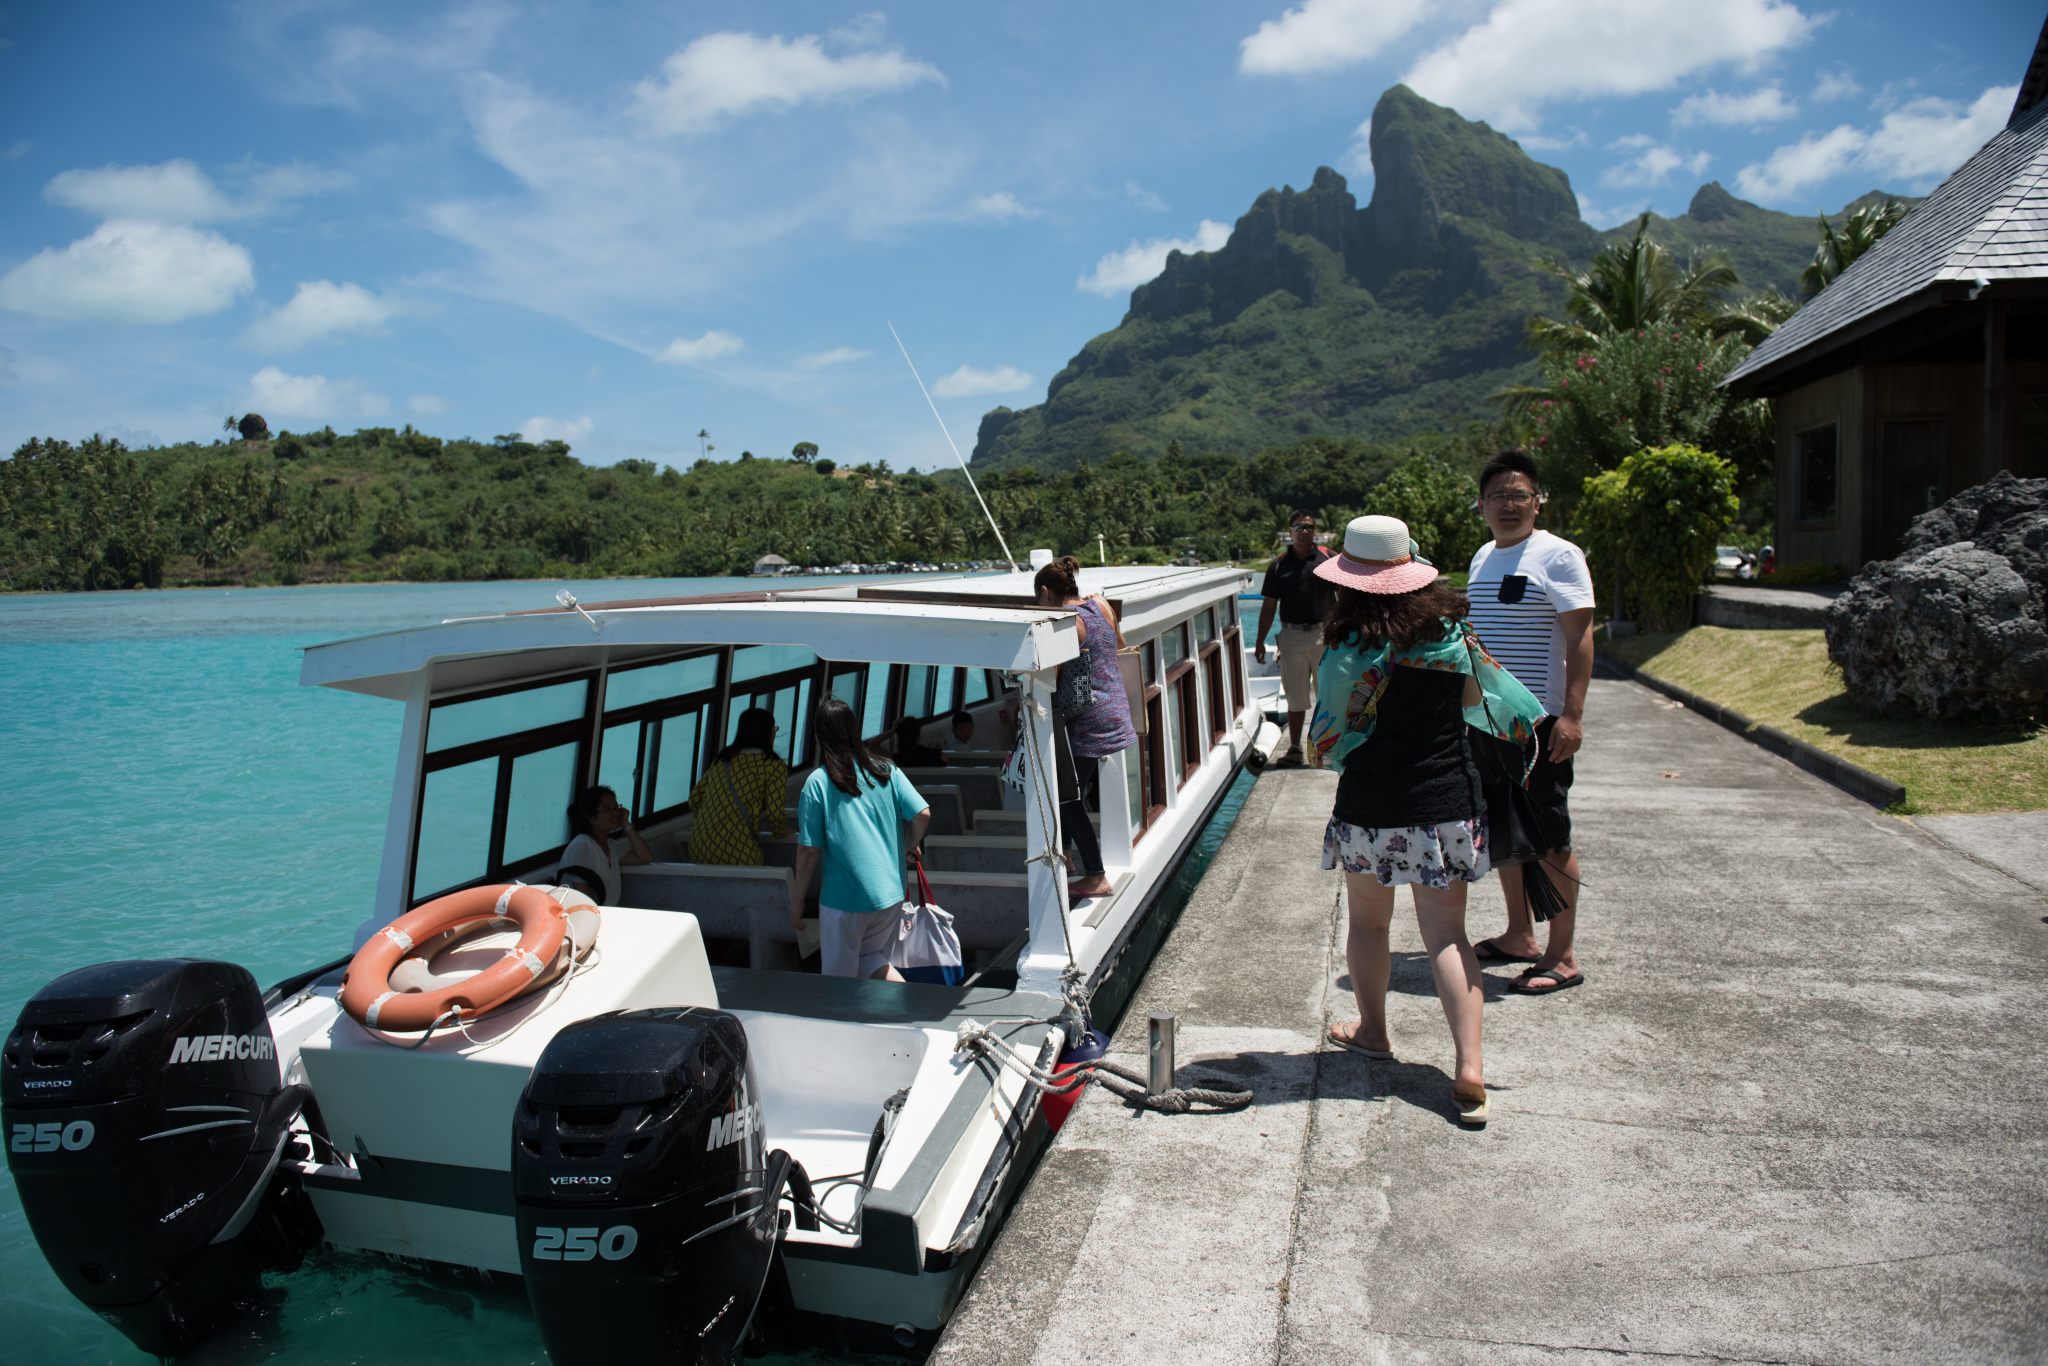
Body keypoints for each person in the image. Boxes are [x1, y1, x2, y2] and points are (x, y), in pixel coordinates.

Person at [1308, 515, 1547, 1128]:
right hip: (1447, 805)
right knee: (1447, 936)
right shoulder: (1453, 634)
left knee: (1368, 924)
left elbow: (1328, 739)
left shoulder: (1345, 649)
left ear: (1349, 582)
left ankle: (1373, 1032)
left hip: (1370, 807)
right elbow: (1476, 705)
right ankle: (1469, 1066)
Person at [1464, 450, 1595, 995]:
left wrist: (1572, 714)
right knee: (1505, 828)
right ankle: (1520, 934)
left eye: (1520, 495)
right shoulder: (1481, 557)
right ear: (1481, 506)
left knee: (1550, 833)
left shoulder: (1558, 556)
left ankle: (1562, 954)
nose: (1509, 505)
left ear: (1538, 501)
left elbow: (1581, 637)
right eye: (1498, 495)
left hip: (1538, 721)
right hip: (1486, 718)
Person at [792, 696, 932, 979]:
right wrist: (909, 844)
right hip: (890, 895)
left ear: (820, 736)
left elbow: (809, 852)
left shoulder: (817, 783)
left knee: (838, 985)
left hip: (846, 901)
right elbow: (922, 815)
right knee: (869, 959)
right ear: (854, 730)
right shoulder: (885, 770)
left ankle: (846, 1022)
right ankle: (906, 1007)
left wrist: (796, 901)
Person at [1034, 555, 1137, 901]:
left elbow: (1056, 676)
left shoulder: (1066, 623)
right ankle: (1074, 861)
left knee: (1067, 796)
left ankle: (1096, 876)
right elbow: (1118, 644)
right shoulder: (1101, 606)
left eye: (1039, 600)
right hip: (1114, 708)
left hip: (1088, 718)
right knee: (1072, 790)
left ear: (1046, 592)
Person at [1253, 510, 1336, 765]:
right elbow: (1268, 606)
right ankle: (1296, 749)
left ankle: (1327, 748)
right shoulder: (1278, 565)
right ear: (1290, 532)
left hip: (1324, 634)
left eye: (1309, 527)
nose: (1304, 531)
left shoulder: (1329, 558)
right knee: (1295, 696)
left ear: (1314, 531)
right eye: (1299, 527)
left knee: (1328, 693)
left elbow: (1344, 596)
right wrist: (1259, 641)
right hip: (1290, 635)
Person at [686, 707, 791, 865]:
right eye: (774, 729)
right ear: (768, 733)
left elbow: (695, 799)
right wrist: (781, 832)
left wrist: (715, 820)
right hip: (737, 846)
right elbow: (774, 811)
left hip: (699, 844)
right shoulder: (774, 766)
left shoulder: (723, 760)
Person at [559, 785, 654, 905]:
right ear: (591, 818)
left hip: (603, 913)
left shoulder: (610, 845)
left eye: (616, 807)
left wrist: (626, 824)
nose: (615, 814)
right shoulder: (582, 846)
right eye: (608, 810)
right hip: (587, 916)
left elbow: (644, 857)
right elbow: (584, 899)